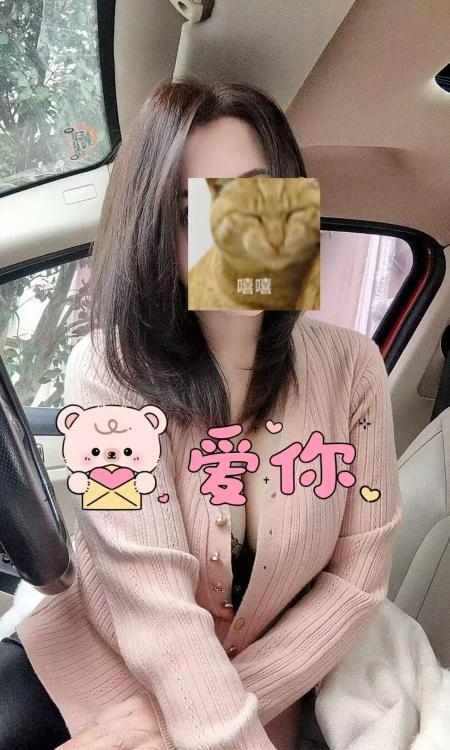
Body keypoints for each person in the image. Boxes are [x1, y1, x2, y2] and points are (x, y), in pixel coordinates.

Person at [0, 78, 403, 750]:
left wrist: (204, 723)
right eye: (195, 213)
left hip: (264, 691)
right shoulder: (105, 370)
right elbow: (148, 594)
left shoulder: (354, 368)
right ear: (157, 232)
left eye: (254, 197)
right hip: (97, 662)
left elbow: (358, 581)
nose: (235, 236)